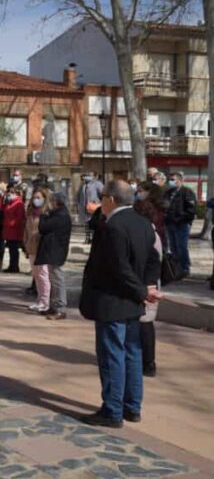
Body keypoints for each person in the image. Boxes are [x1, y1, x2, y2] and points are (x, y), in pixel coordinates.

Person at [79, 181, 162, 428]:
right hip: (131, 300)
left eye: (102, 197)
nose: (99, 201)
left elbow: (118, 267)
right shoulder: (142, 222)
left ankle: (113, 409)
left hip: (112, 300)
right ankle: (132, 406)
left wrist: (143, 290)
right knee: (132, 354)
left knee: (113, 355)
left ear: (111, 199)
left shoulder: (114, 226)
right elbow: (154, 260)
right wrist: (147, 286)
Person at [134, 183, 168, 376]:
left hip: (148, 283)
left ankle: (148, 362)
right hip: (146, 282)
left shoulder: (151, 231)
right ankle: (143, 359)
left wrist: (149, 285)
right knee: (142, 322)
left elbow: (154, 261)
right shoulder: (150, 229)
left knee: (145, 322)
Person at [38, 192, 72, 321]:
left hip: (56, 251)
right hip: (53, 250)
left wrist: (43, 214)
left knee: (57, 279)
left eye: (51, 201)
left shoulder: (60, 216)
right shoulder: (57, 214)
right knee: (53, 278)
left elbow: (43, 227)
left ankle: (60, 308)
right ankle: (53, 305)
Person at [164, 172, 196, 275]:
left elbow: (191, 210)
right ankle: (176, 268)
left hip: (182, 224)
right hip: (170, 224)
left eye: (173, 179)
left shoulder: (187, 192)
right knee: (173, 247)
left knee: (182, 246)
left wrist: (180, 218)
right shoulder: (169, 192)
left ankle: (185, 268)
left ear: (180, 180)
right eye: (170, 179)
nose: (171, 181)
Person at [25, 187, 51, 312]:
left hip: (41, 248)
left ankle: (45, 301)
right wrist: (25, 243)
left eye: (39, 197)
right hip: (31, 247)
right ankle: (40, 300)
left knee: (43, 275)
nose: (36, 200)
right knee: (36, 275)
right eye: (34, 197)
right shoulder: (30, 212)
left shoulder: (46, 214)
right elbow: (26, 230)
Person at [2, 187, 25, 273]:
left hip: (15, 230)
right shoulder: (10, 203)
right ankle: (12, 265)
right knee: (11, 249)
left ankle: (14, 266)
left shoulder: (19, 203)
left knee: (14, 249)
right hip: (9, 230)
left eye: (10, 194)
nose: (8, 196)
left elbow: (19, 218)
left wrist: (10, 224)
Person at [77, 172, 103, 244]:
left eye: (89, 175)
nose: (87, 177)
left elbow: (103, 194)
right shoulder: (82, 184)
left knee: (93, 223)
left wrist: (98, 202)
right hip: (84, 207)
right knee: (86, 223)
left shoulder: (97, 184)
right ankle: (87, 238)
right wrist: (78, 205)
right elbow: (78, 195)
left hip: (94, 207)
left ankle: (94, 239)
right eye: (86, 175)